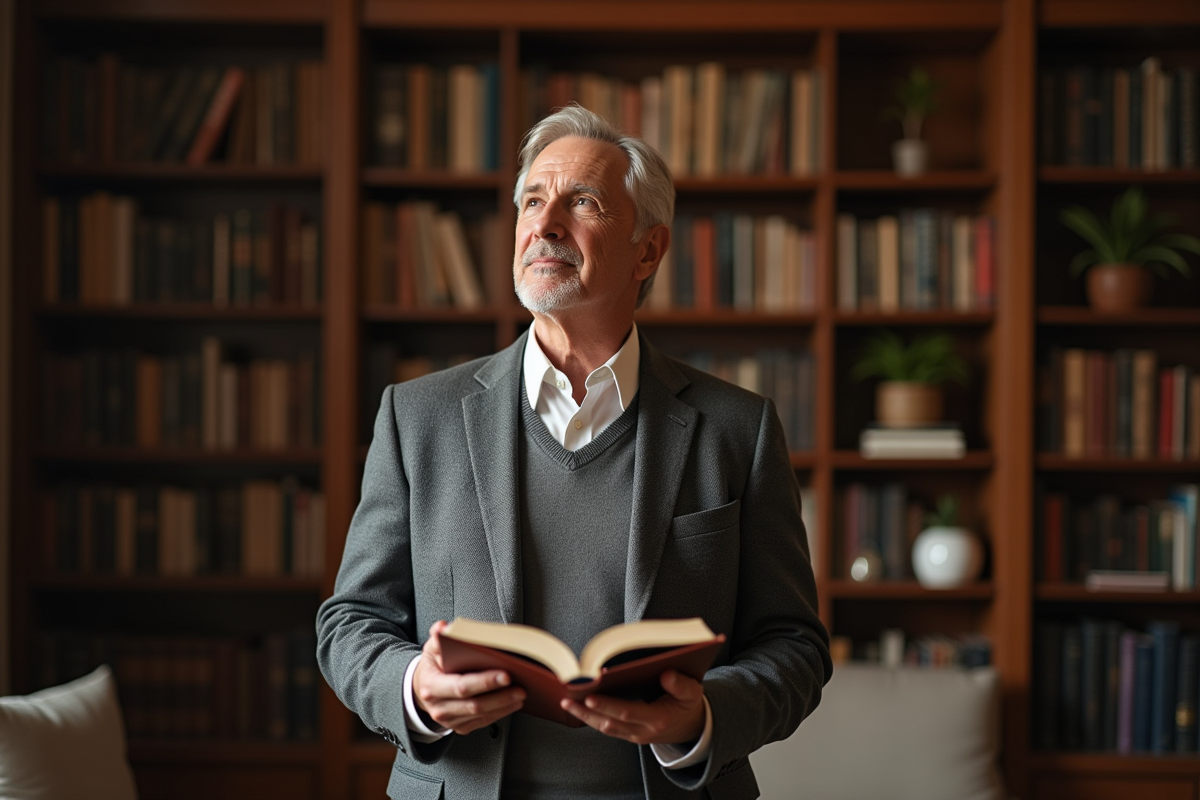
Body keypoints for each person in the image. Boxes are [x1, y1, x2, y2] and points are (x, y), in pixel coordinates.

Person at [316, 105, 831, 800]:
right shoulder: (417, 419)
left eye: (582, 202)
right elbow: (350, 623)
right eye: (533, 201)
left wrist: (702, 718)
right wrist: (415, 689)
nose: (546, 224)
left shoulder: (738, 428)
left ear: (648, 251)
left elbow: (795, 645)